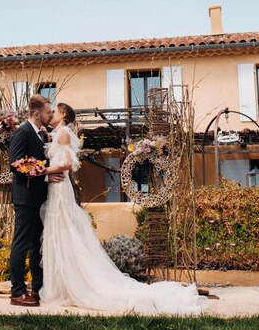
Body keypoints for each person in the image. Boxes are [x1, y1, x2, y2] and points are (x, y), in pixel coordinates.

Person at [39, 103, 205, 315]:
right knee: (60, 233)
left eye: (53, 111)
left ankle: (73, 286)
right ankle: (64, 286)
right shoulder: (59, 133)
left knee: (64, 233)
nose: (50, 114)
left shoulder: (63, 133)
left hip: (60, 187)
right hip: (57, 186)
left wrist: (42, 170)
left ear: (62, 114)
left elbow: (68, 164)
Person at [8, 95, 64, 307]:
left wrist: (47, 175)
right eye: (48, 111)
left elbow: (39, 160)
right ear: (36, 113)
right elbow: (16, 163)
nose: (50, 115)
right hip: (25, 198)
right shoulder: (21, 133)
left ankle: (38, 288)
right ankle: (17, 291)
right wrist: (45, 173)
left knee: (36, 246)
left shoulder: (41, 134)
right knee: (21, 244)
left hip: (39, 198)